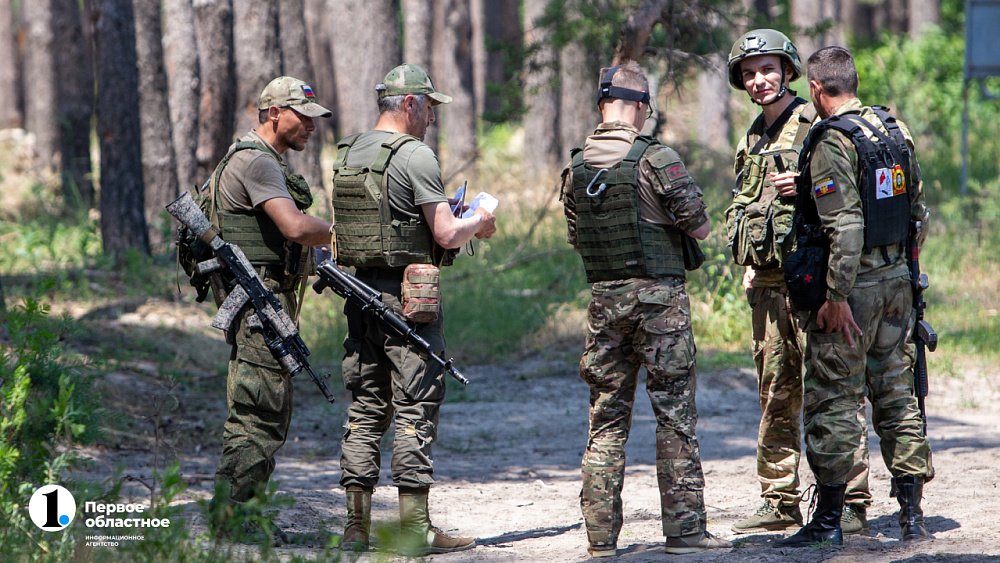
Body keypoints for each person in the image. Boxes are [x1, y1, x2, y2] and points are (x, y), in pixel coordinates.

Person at [560, 61, 732, 558]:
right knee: (674, 415)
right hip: (661, 307)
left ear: (601, 105)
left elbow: (577, 239)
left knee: (606, 420)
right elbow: (699, 227)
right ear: (639, 106)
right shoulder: (657, 159)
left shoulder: (575, 168)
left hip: (603, 305)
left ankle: (599, 538)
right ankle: (684, 532)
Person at [332, 63, 496, 556]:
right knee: (413, 411)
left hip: (360, 297)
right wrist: (480, 222)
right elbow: (445, 234)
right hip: (408, 305)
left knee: (363, 410)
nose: (431, 117)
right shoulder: (416, 155)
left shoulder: (348, 152)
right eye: (428, 107)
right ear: (408, 104)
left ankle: (355, 528)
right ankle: (414, 530)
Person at [777, 46, 934, 547]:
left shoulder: (832, 140)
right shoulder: (894, 130)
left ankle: (827, 522)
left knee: (833, 400)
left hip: (854, 290)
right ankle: (912, 516)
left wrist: (837, 294)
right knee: (897, 395)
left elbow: (844, 224)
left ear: (819, 90)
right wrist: (899, 268)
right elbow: (919, 213)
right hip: (897, 284)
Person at [725, 30, 872, 535]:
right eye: (748, 73)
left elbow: (843, 197)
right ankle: (778, 497)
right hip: (767, 283)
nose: (759, 80)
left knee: (833, 392)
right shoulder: (752, 136)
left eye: (767, 69)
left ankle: (850, 500)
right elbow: (751, 207)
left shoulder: (815, 123)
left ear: (790, 71)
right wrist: (749, 268)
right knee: (775, 390)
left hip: (810, 282)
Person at [209, 76, 334, 543]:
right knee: (258, 410)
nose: (311, 127)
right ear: (274, 113)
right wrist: (341, 236)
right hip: (260, 303)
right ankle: (235, 520)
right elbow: (295, 226)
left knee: (260, 407)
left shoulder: (248, 156)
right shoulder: (257, 162)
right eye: (303, 117)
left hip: (259, 299)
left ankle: (238, 514)